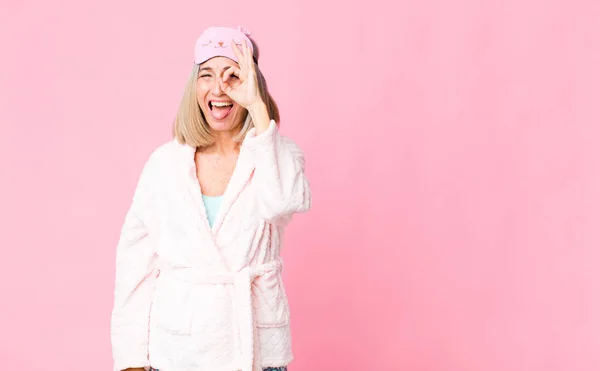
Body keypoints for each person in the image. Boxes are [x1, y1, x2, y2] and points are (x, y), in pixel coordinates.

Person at [110, 25, 311, 371]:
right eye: (207, 75)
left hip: (256, 353)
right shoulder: (165, 165)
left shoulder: (278, 155)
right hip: (177, 352)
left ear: (252, 84)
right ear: (194, 85)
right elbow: (135, 267)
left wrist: (258, 110)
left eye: (233, 75)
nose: (219, 88)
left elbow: (281, 204)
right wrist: (131, 360)